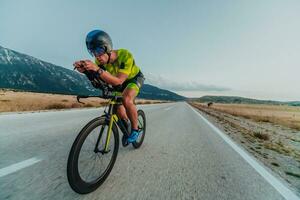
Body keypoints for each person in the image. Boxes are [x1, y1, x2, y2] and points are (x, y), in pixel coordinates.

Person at [73, 29, 145, 143]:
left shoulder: (125, 55)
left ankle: (135, 130)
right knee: (117, 108)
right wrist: (86, 72)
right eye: (93, 52)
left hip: (133, 79)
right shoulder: (99, 63)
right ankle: (126, 124)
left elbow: (118, 81)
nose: (97, 56)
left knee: (126, 99)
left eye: (99, 50)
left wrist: (97, 69)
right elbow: (100, 82)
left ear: (107, 47)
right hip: (117, 81)